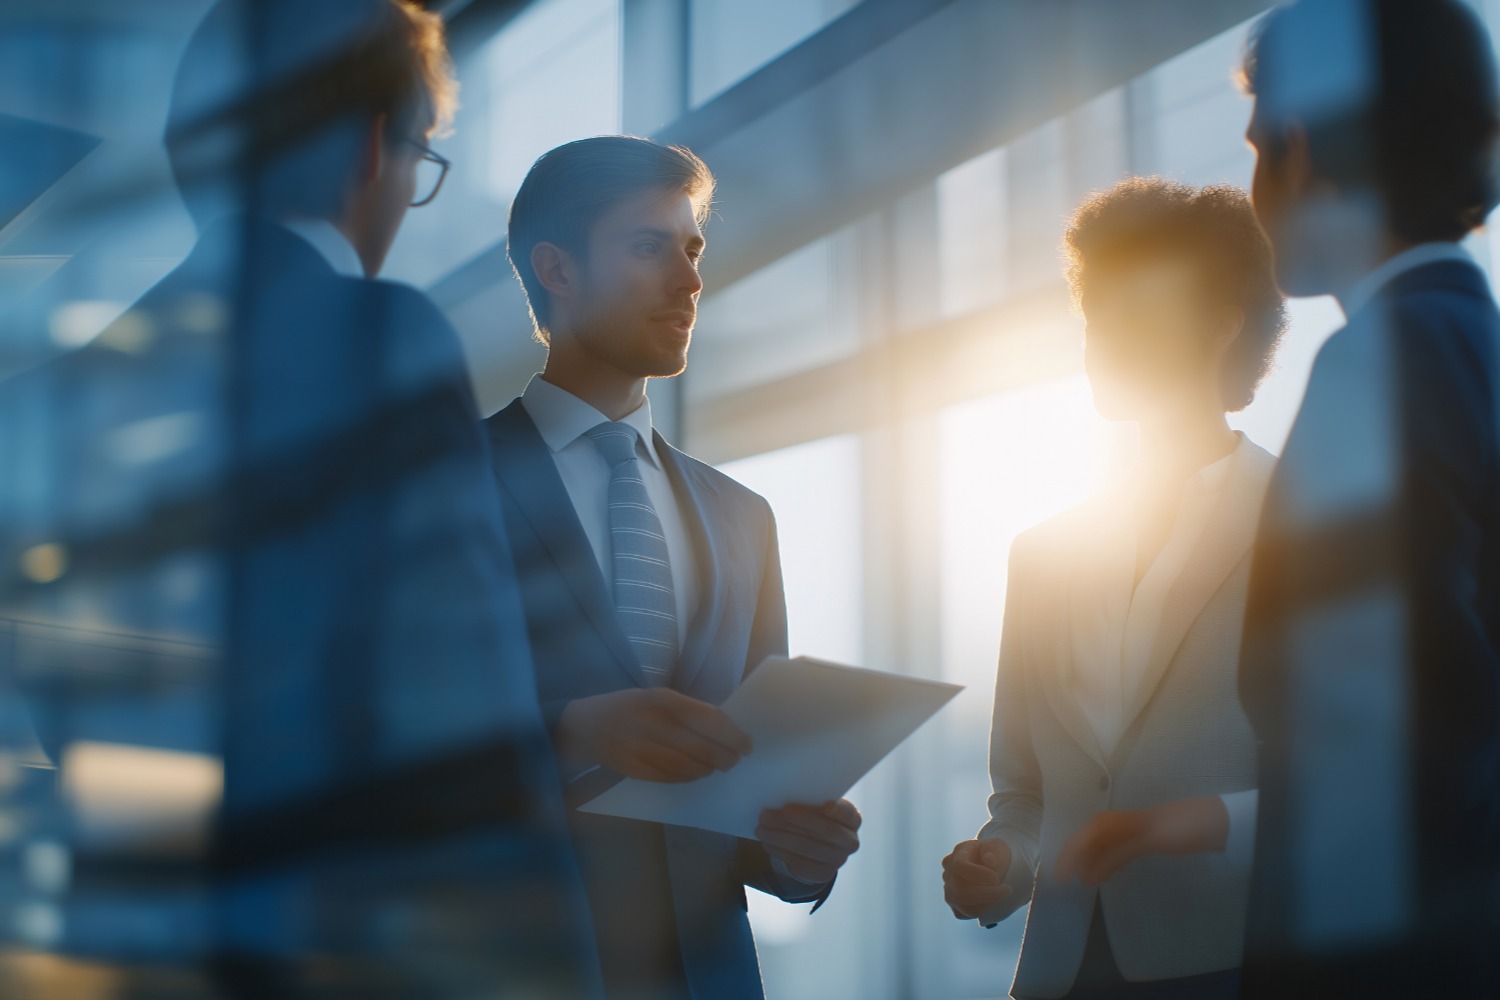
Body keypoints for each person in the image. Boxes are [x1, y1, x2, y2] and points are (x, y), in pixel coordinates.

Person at [0, 2, 598, 994]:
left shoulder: (47, 398)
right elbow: (464, 742)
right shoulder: (377, 336)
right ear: (371, 147)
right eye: (420, 158)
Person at [483, 135, 862, 999]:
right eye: (650, 247)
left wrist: (797, 851)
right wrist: (570, 731)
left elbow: (751, 784)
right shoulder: (443, 483)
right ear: (558, 269)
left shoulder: (743, 518)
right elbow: (383, 739)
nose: (690, 281)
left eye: (693, 251)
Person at [942, 178, 1286, 999]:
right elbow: (1025, 794)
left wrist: (1182, 828)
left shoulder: (1297, 520)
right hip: (1064, 972)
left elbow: (1347, 779)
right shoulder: (1043, 553)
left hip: (1235, 958)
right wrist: (1001, 863)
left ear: (1220, 325)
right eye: (1095, 313)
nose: (1100, 340)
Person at [1234, 2, 1500, 996]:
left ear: (1302, 151)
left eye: (1256, 149)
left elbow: (1366, 756)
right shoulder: (1474, 347)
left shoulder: (1377, 362)